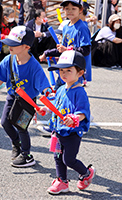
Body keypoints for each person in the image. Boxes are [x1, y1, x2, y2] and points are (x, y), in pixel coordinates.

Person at [0, 26, 51, 167]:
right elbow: (0, 78)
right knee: (5, 122)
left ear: (26, 47)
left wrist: (47, 92)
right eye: (9, 43)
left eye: (14, 44)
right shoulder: (9, 59)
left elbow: (43, 84)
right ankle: (16, 144)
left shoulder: (34, 65)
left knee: (21, 127)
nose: (9, 46)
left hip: (28, 101)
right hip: (12, 97)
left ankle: (27, 155)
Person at [36, 50, 95, 194]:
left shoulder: (79, 92)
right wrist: (46, 109)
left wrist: (75, 118)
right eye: (61, 70)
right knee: (57, 157)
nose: (64, 73)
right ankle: (62, 181)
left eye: (69, 70)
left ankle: (86, 173)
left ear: (80, 73)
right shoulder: (62, 89)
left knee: (68, 159)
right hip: (58, 130)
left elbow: (83, 111)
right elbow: (57, 106)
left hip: (72, 132)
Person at [39, 0, 92, 83]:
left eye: (73, 9)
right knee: (59, 92)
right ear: (63, 10)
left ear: (80, 10)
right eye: (67, 9)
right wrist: (47, 53)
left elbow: (85, 50)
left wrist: (67, 50)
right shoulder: (65, 27)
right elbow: (62, 49)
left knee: (72, 93)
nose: (70, 11)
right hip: (64, 68)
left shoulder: (82, 28)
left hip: (75, 70)